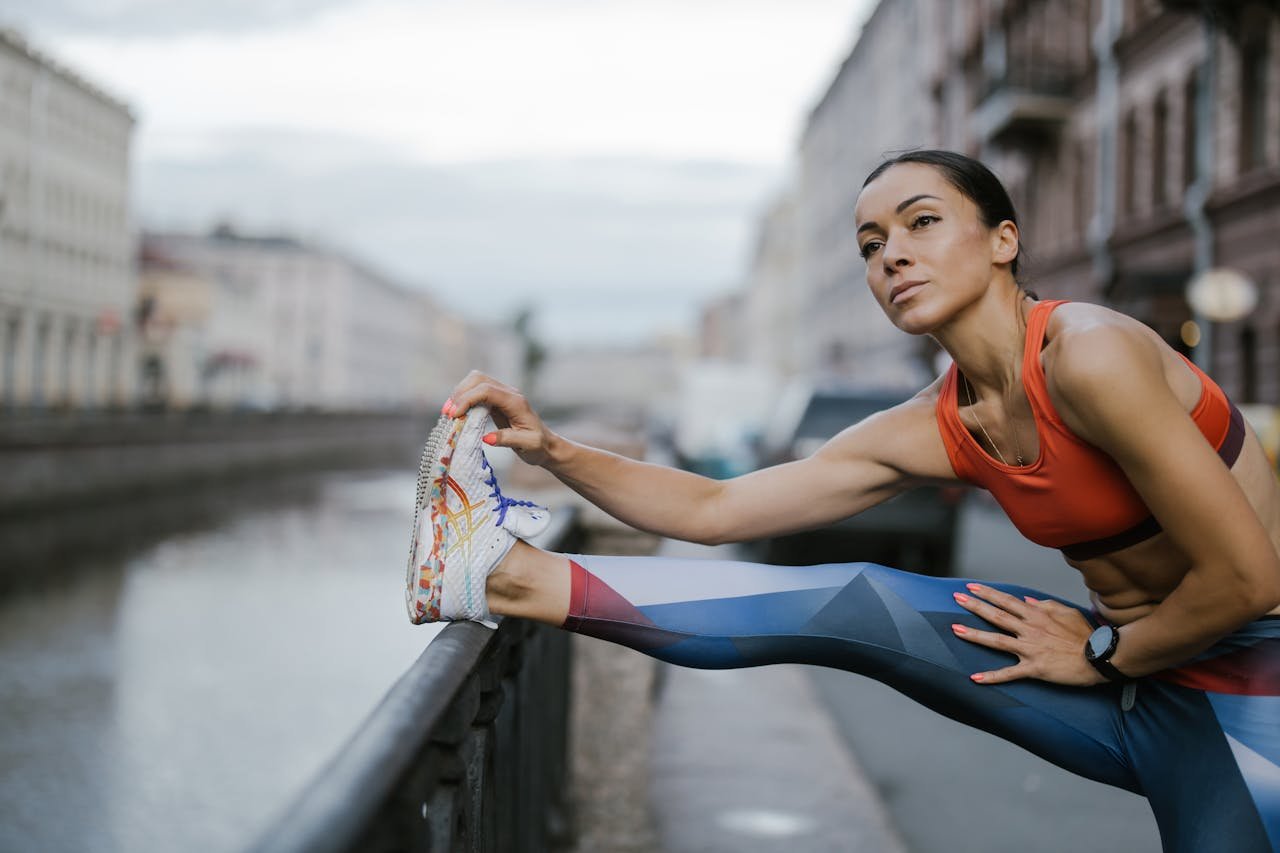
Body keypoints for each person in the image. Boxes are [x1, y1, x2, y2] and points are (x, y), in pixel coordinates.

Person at [406, 150, 1280, 853]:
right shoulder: (937, 422)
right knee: (857, 602)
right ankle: (498, 573)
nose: (891, 253)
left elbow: (1246, 578)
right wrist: (555, 450)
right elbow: (715, 509)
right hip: (1130, 682)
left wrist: (1100, 652)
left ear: (1004, 240)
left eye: (922, 223)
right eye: (869, 244)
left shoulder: (1089, 353)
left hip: (1252, 701)